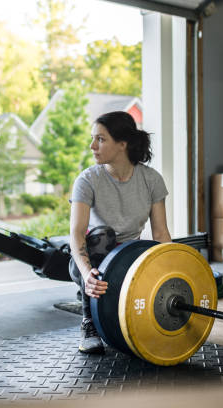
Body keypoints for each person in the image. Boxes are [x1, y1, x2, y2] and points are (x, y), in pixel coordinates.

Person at [69, 111, 172, 354]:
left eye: (100, 139)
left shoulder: (151, 180)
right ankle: (88, 322)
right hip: (90, 260)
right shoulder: (87, 180)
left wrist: (171, 272)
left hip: (128, 257)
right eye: (93, 139)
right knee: (104, 234)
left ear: (122, 144)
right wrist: (87, 276)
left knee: (151, 254)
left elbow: (160, 233)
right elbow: (76, 234)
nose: (92, 146)